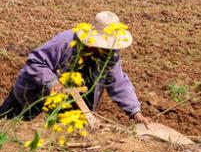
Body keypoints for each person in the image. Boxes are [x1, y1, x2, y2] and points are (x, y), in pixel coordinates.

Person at [0, 11, 150, 127]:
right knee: (9, 129)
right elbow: (35, 61)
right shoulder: (66, 41)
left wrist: (135, 112)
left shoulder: (109, 54)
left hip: (70, 107)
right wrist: (53, 83)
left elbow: (119, 82)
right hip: (32, 96)